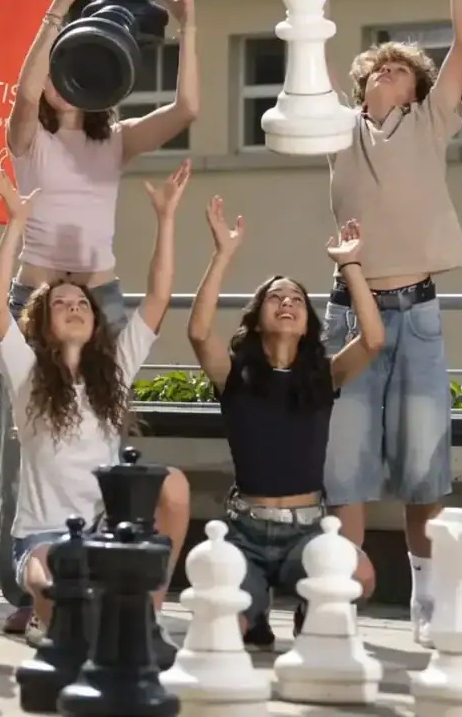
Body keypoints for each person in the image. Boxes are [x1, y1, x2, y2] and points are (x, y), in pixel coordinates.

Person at [0, 0, 200, 634]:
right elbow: (25, 96)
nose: (56, 82)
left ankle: (121, 573)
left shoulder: (112, 141)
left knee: (102, 430)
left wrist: (187, 30)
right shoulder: (29, 141)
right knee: (29, 438)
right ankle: (30, 584)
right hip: (34, 292)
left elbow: (188, 109)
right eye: (54, 70)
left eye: (67, 69)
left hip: (102, 294)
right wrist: (56, 14)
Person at [322, 0, 462, 643]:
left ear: (417, 89)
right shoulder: (335, 128)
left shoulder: (429, 122)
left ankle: (426, 596)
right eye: (379, 66)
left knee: (425, 457)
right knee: (345, 456)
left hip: (415, 310)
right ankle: (340, 594)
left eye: (402, 67)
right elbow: (304, 48)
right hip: (351, 311)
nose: (391, 69)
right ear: (362, 87)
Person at [0, 156, 194, 643]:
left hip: (106, 532)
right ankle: (47, 613)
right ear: (43, 322)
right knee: (53, 587)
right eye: (61, 304)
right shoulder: (27, 372)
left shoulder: (114, 369)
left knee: (175, 486)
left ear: (96, 321)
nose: (75, 307)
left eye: (82, 303)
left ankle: (148, 612)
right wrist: (17, 223)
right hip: (43, 539)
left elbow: (159, 299)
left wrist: (165, 220)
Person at [187, 196, 385, 647]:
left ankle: (307, 610)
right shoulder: (235, 376)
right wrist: (223, 254)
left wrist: (350, 265)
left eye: (296, 298)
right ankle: (251, 614)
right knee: (224, 634)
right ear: (257, 319)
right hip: (246, 530)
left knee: (361, 575)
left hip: (308, 530)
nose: (287, 302)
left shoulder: (323, 375)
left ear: (307, 323)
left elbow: (373, 339)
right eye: (274, 297)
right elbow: (199, 333)